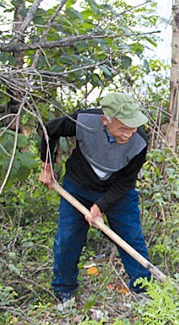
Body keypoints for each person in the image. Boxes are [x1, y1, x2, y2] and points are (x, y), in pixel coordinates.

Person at [38, 93, 152, 307]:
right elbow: (49, 130)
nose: (129, 133)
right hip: (78, 186)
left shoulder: (139, 142)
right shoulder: (84, 121)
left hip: (117, 193)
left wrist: (99, 207)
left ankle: (143, 290)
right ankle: (64, 292)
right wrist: (47, 166)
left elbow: (125, 184)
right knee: (68, 238)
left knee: (131, 239)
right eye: (123, 128)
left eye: (133, 127)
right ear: (105, 120)